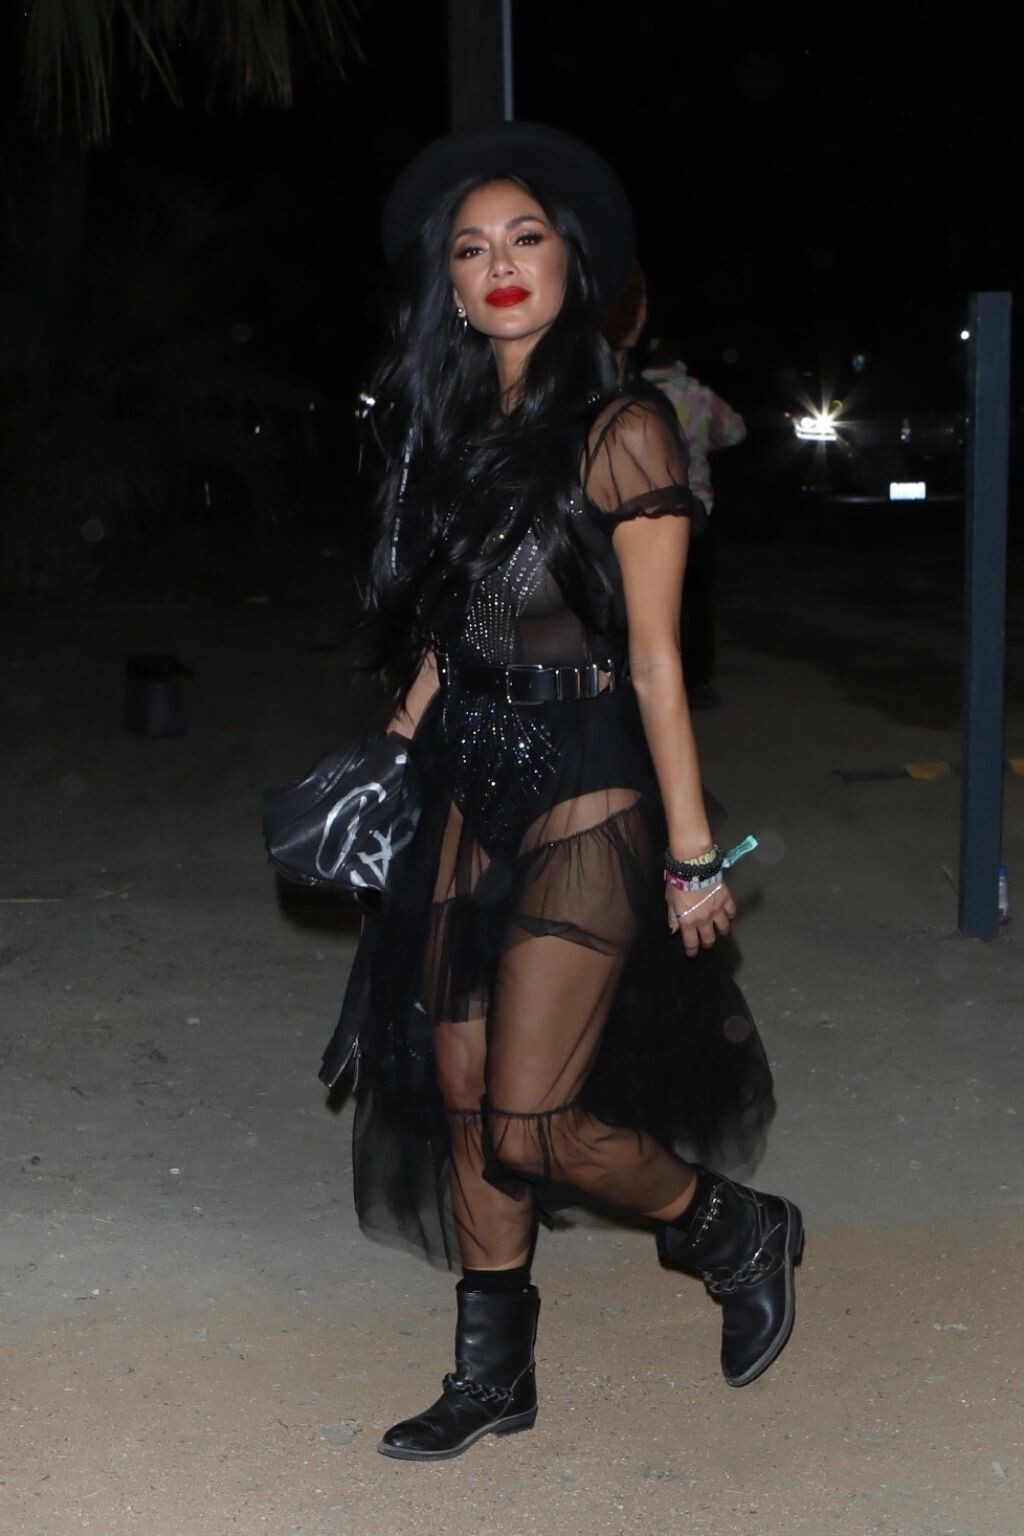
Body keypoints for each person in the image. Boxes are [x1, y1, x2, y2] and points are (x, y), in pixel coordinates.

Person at [319, 122, 801, 1462]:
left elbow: (655, 661)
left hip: (587, 781)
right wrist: (391, 750)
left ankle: (730, 1227)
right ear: (449, 286)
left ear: (572, 262)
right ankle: (494, 1374)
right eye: (471, 249)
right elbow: (455, 626)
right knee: (465, 1092)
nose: (500, 264)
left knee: (533, 1121)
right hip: (464, 780)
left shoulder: (625, 429)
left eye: (525, 238)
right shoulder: (450, 427)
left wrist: (692, 855)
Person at [643, 337, 747, 706]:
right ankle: (697, 681)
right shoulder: (697, 396)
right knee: (697, 597)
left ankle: (649, 678)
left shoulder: (634, 394)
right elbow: (735, 431)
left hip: (645, 507)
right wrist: (701, 440)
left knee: (648, 598)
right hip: (695, 505)